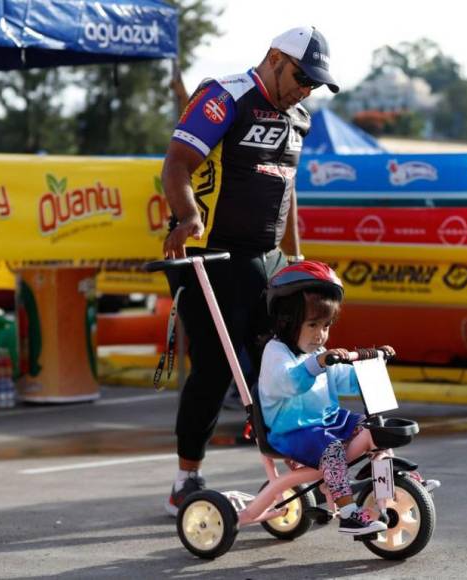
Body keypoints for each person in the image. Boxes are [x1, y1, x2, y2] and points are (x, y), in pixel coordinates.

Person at [160, 26, 340, 517]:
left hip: (268, 260)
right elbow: (175, 165)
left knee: (284, 365)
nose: (306, 89)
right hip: (213, 257)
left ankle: (300, 479)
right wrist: (189, 216)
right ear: (275, 57)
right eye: (302, 77)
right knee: (217, 368)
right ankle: (186, 478)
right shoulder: (226, 96)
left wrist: (296, 259)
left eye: (314, 84)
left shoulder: (299, 117)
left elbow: (287, 190)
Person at [258, 260, 394, 535]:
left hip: (325, 422)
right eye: (313, 325)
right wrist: (318, 362)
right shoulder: (276, 354)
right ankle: (348, 512)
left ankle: (390, 485)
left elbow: (345, 380)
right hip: (291, 430)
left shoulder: (316, 352)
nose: (321, 335)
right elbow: (290, 383)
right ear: (287, 321)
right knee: (332, 450)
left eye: (326, 325)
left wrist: (373, 365)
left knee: (376, 430)